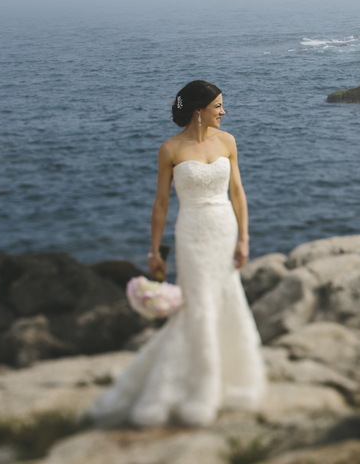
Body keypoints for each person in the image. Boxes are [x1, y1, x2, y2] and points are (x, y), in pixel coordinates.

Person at [91, 80, 267, 427]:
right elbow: (160, 204)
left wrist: (244, 238)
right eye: (218, 105)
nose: (224, 111)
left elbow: (238, 192)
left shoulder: (228, 141)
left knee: (226, 297)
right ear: (198, 110)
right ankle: (200, 388)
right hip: (191, 232)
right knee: (198, 302)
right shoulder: (169, 149)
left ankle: (232, 378)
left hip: (224, 227)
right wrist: (154, 251)